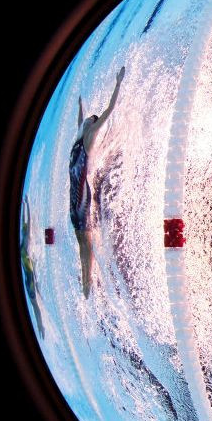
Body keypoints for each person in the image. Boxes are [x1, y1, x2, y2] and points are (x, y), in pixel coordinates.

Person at [71, 66, 125, 298]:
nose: (87, 121)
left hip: (82, 196)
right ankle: (86, 280)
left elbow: (109, 110)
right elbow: (80, 121)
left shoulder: (89, 137)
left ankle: (87, 284)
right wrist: (80, 108)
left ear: (92, 125)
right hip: (73, 200)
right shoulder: (78, 139)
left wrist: (118, 82)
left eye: (90, 120)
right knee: (81, 240)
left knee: (86, 244)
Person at [21, 196, 46, 338]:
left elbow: (27, 222)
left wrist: (28, 205)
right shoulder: (23, 242)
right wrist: (25, 206)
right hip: (29, 277)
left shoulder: (24, 243)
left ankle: (40, 325)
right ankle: (40, 325)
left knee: (35, 304)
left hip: (28, 278)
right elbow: (25, 222)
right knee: (35, 303)